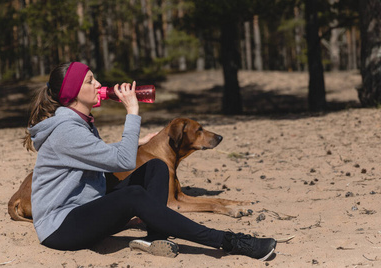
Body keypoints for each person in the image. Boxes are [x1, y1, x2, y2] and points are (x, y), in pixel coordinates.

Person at [23, 61, 277, 260]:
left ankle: (154, 237)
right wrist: (132, 112)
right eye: (91, 80)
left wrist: (136, 142)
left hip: (83, 211)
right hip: (60, 228)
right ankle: (230, 241)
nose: (99, 83)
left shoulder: (79, 123)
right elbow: (122, 162)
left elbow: (90, 155)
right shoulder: (67, 129)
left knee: (155, 166)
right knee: (132, 195)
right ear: (73, 92)